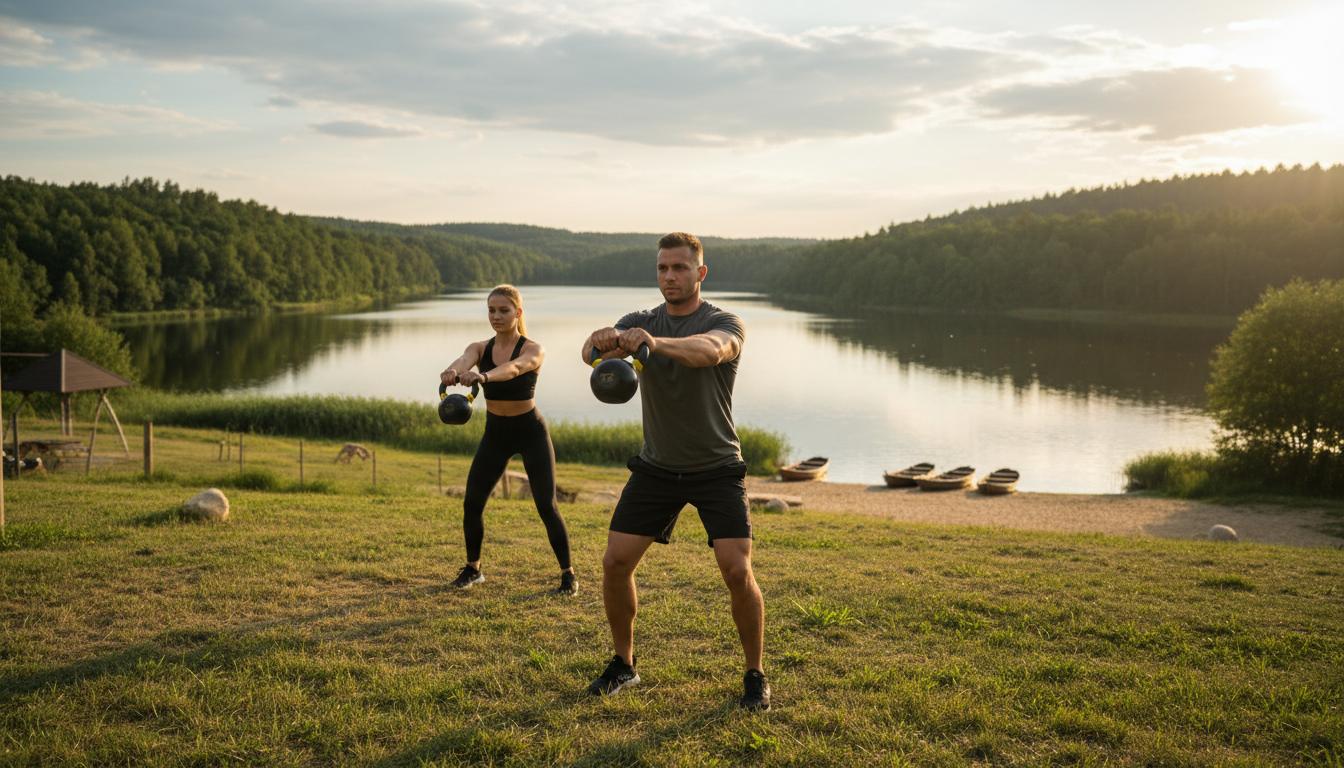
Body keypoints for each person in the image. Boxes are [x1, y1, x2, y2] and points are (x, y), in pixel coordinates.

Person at [581, 232, 769, 710]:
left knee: (736, 569)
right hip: (657, 467)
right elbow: (591, 354)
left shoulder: (725, 322)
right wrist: (602, 341)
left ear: (700, 273)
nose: (670, 276)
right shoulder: (641, 319)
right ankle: (624, 664)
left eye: (680, 268)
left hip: (717, 467)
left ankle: (754, 674)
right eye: (663, 268)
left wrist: (653, 342)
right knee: (615, 562)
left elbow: (710, 351)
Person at [440, 285, 576, 595]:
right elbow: (463, 361)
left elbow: (515, 369)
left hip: (530, 431)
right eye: (491, 310)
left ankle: (568, 575)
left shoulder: (533, 348)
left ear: (518, 313)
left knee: (546, 505)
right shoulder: (479, 347)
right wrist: (452, 372)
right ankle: (473, 569)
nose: (497, 316)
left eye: (504, 310)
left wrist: (484, 377)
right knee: (472, 502)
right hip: (496, 433)